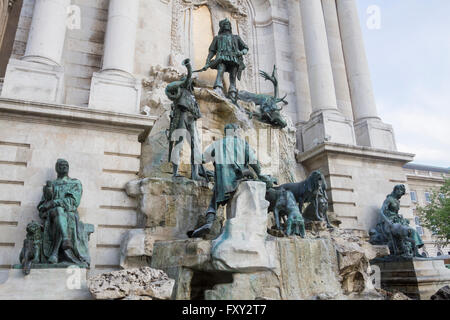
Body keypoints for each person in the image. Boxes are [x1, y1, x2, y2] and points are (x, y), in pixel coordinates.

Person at [188, 123, 270, 238]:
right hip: (238, 180)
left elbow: (201, 159)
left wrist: (194, 151)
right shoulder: (242, 143)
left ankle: (209, 222)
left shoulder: (216, 144)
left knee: (214, 202)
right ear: (235, 132)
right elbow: (254, 162)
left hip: (222, 183)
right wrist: (259, 173)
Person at [37, 159, 92, 265]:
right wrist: (48, 194)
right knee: (58, 211)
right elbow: (42, 206)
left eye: (66, 165)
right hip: (51, 215)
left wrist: (54, 202)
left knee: (60, 212)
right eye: (61, 165)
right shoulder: (51, 185)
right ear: (56, 168)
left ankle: (54, 253)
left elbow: (74, 202)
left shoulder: (75, 183)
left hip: (69, 213)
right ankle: (66, 240)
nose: (64, 166)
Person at [166, 58, 208, 180]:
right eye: (187, 81)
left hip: (191, 119)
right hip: (182, 117)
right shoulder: (180, 91)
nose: (189, 83)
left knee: (196, 146)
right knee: (179, 144)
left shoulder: (191, 95)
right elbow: (171, 86)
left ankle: (195, 174)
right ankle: (175, 172)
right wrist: (189, 66)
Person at [199, 18, 248, 101]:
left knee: (233, 75)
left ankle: (232, 91)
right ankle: (218, 87)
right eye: (225, 25)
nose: (227, 26)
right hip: (221, 58)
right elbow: (212, 51)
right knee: (221, 70)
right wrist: (207, 62)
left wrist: (241, 52)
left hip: (234, 58)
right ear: (221, 27)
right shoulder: (217, 38)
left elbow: (245, 48)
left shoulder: (236, 37)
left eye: (228, 24)